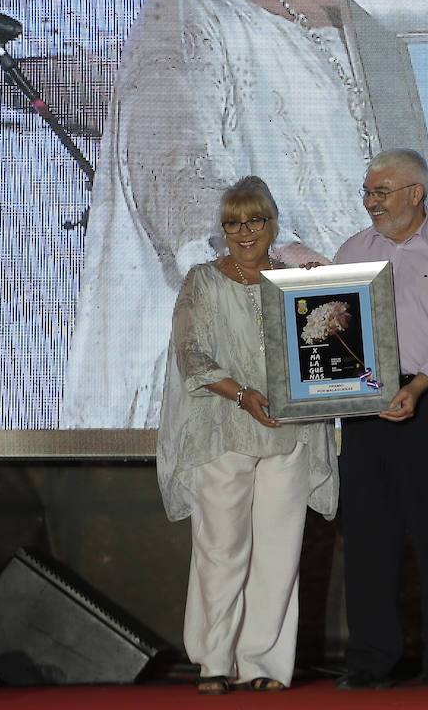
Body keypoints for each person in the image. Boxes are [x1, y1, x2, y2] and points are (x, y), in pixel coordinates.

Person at [61, 0, 382, 428]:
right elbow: (171, 168)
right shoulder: (187, 9)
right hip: (251, 359)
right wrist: (280, 254)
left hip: (382, 360)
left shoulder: (389, 29)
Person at [156, 176, 338, 695]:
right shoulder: (202, 281)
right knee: (220, 549)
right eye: (233, 222)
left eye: (254, 221)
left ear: (271, 224)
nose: (244, 232)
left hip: (292, 433)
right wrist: (242, 395)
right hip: (225, 430)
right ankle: (214, 661)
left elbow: (330, 342)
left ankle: (263, 664)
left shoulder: (297, 279)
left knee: (280, 553)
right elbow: (191, 355)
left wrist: (323, 285)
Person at [332, 149, 428, 690]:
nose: (371, 203)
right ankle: (370, 660)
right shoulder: (352, 250)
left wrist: (415, 389)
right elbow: (332, 328)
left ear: (416, 193)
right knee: (369, 540)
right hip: (365, 407)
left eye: (382, 192)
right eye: (367, 193)